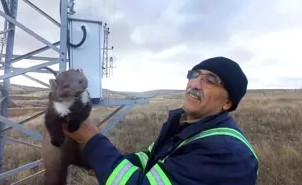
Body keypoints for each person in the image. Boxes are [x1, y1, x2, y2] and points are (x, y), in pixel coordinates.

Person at [62, 56, 259, 185]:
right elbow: (148, 159)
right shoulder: (186, 127)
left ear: (228, 102)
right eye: (194, 75)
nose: (196, 84)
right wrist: (97, 161)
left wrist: (93, 142)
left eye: (211, 80)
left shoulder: (224, 152)